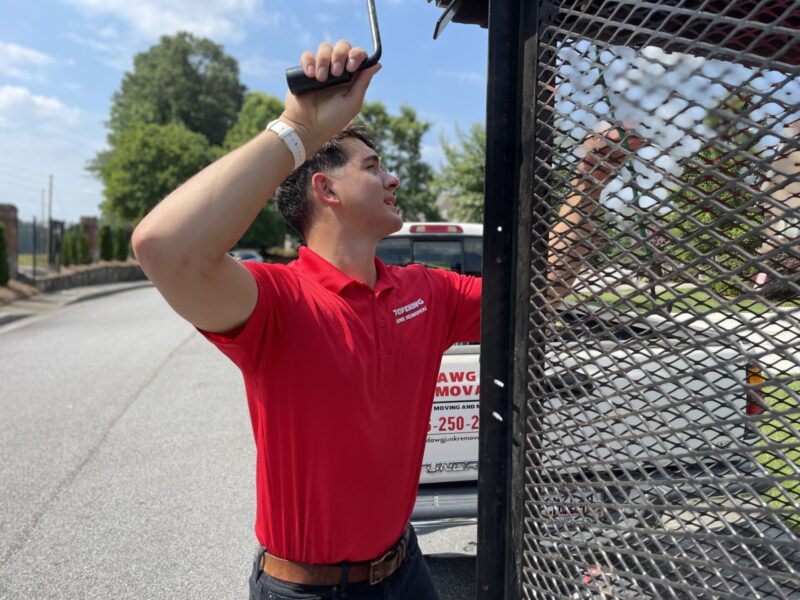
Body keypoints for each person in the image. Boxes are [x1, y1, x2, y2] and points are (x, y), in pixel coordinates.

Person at [132, 40, 636, 600]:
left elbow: (542, 291)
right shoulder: (276, 299)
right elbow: (162, 247)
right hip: (307, 591)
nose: (392, 179)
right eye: (373, 167)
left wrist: (587, 182)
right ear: (324, 188)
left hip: (405, 571)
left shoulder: (424, 289)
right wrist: (297, 125)